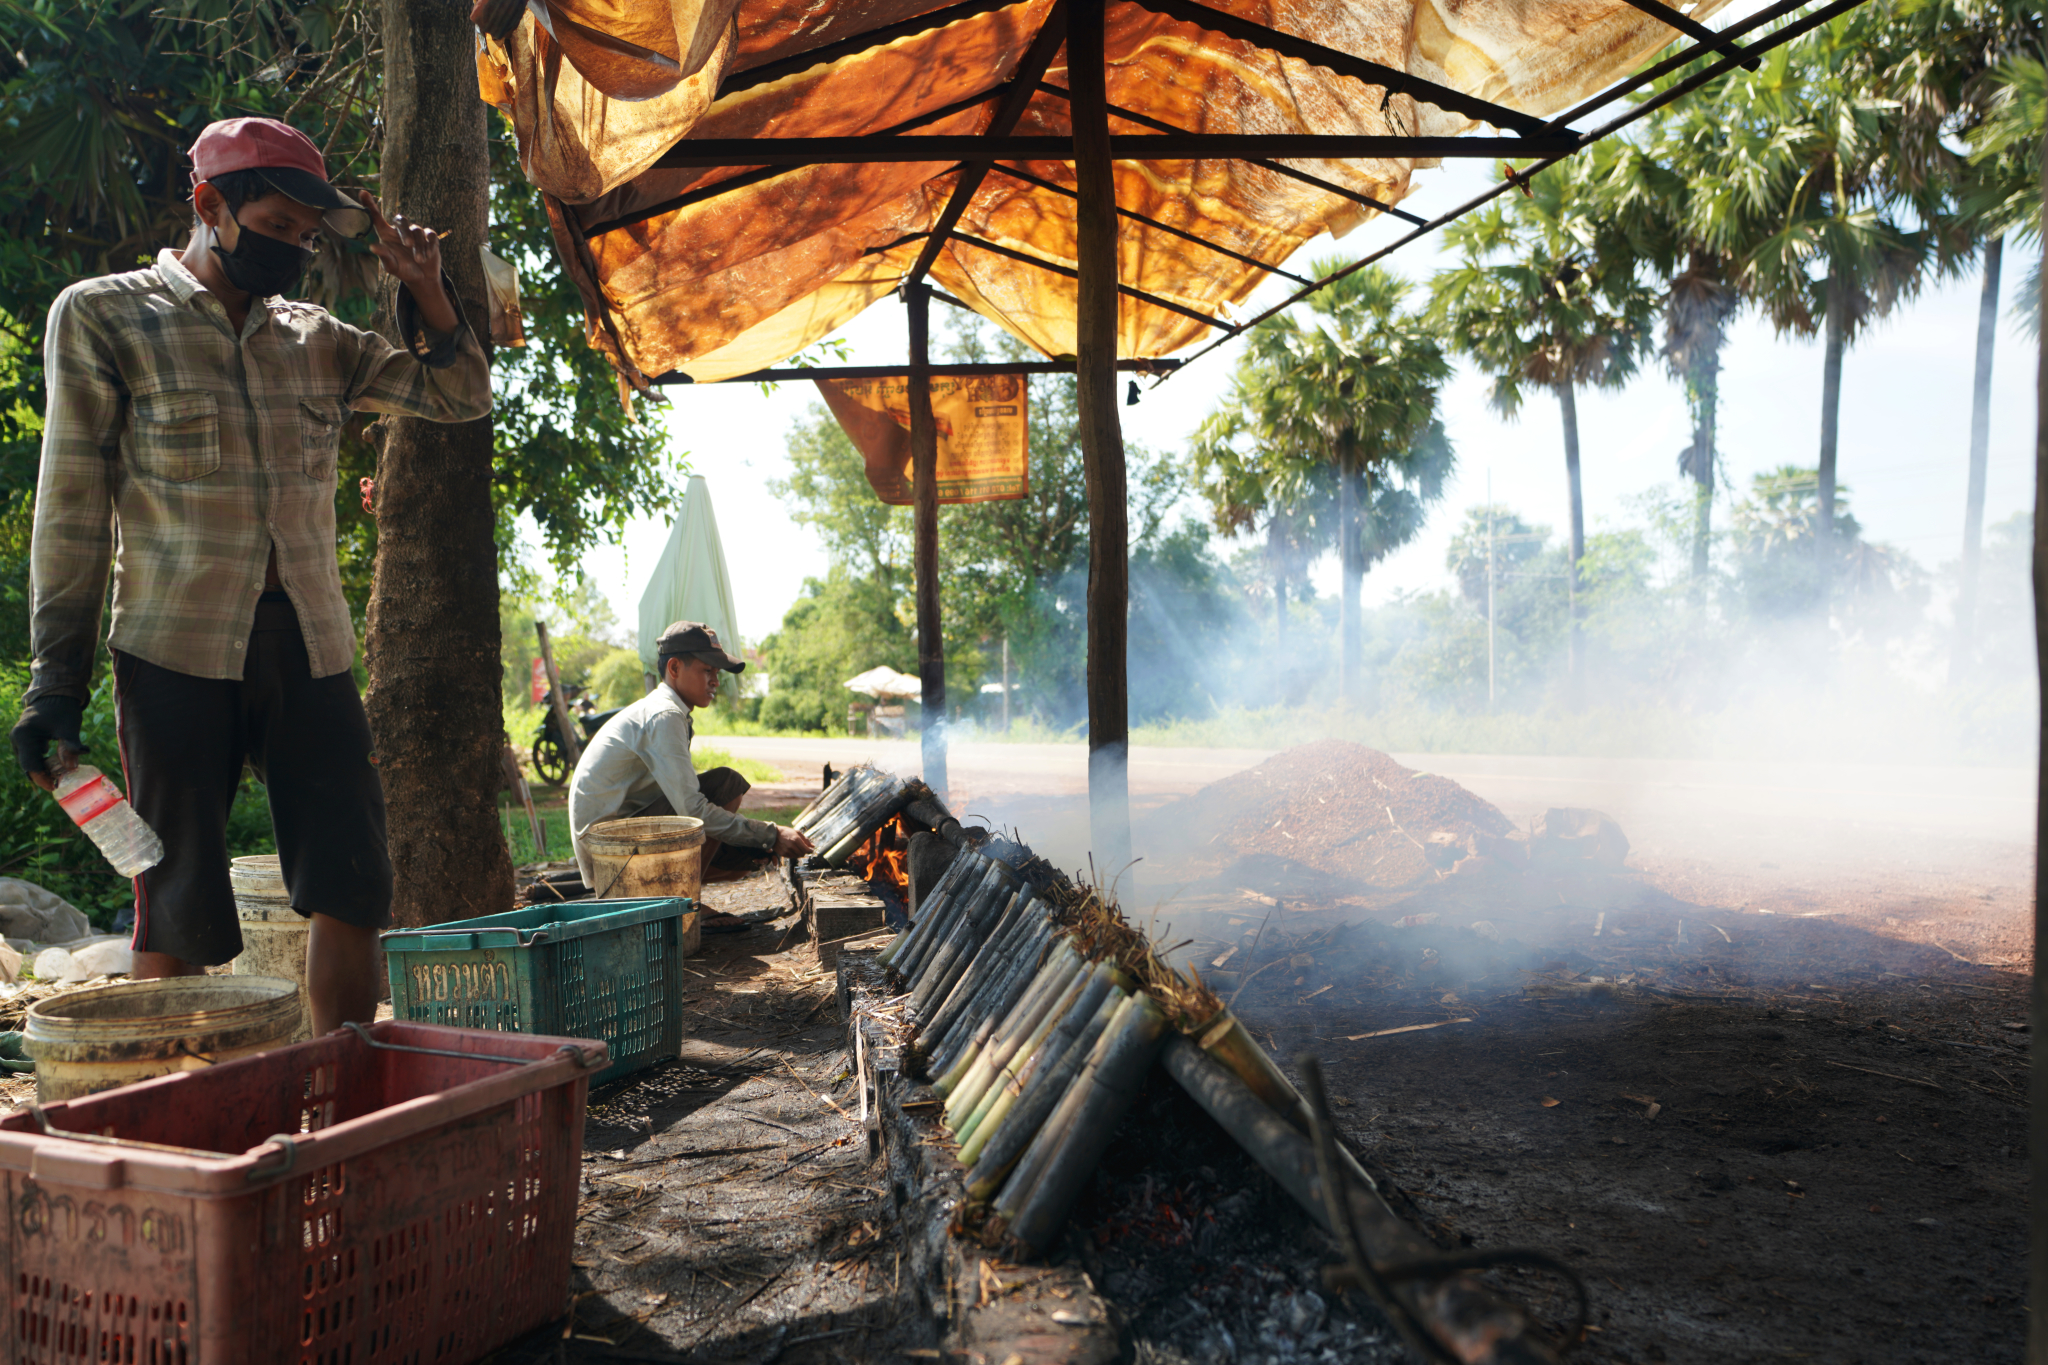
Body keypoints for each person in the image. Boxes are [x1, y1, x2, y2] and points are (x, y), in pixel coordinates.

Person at [8, 117, 491, 1035]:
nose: (294, 251)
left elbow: (458, 394)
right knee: (176, 895)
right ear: (208, 205)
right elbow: (71, 510)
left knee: (352, 882)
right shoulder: (103, 313)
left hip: (308, 645)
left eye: (307, 239)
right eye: (275, 226)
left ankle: (341, 1095)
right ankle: (166, 1112)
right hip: (172, 647)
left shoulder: (318, 339)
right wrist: (53, 685)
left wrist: (427, 291)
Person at [569, 622, 814, 906]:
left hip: (613, 843)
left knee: (750, 856)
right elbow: (692, 809)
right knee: (726, 785)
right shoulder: (664, 715)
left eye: (717, 673)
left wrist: (759, 841)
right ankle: (684, 905)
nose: (715, 681)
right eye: (706, 670)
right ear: (674, 668)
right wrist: (771, 833)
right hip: (609, 851)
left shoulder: (667, 711)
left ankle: (674, 897)